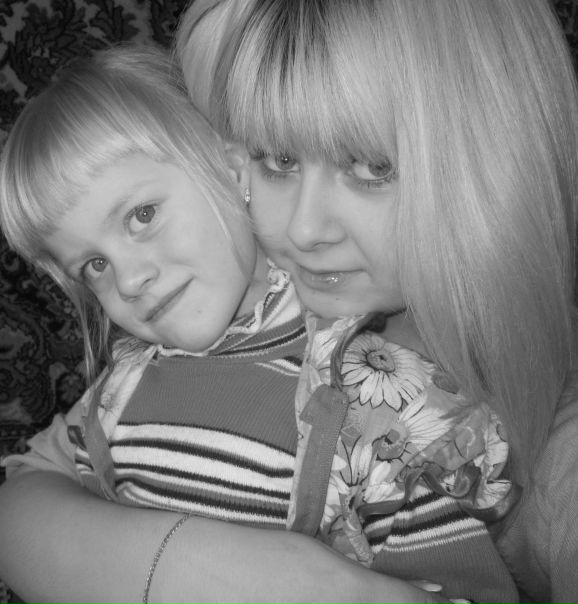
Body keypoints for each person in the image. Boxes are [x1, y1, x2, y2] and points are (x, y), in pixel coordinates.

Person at [0, 42, 454, 604]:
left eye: (142, 216)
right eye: (95, 265)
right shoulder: (117, 394)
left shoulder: (378, 385)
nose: (130, 279)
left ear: (231, 170)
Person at [174, 0, 578, 602]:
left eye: (371, 166)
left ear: (490, 166)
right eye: (279, 159)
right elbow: (35, 481)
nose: (305, 229)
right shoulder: (231, 309)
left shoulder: (558, 436)